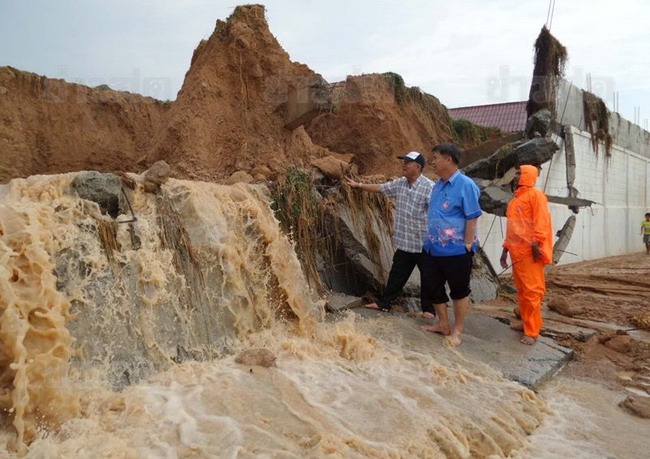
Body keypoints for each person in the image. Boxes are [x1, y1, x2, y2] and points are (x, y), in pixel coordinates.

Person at [344, 152, 434, 314]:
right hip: (405, 243)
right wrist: (358, 186)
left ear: (418, 167)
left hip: (424, 243)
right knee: (396, 275)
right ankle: (384, 303)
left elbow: (437, 213)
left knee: (428, 278)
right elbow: (380, 188)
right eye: (404, 161)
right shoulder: (400, 184)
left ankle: (429, 310)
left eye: (408, 162)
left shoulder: (429, 187)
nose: (404, 165)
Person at [420, 143, 482, 347]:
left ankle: (457, 330)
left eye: (436, 157)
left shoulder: (466, 185)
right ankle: (443, 324)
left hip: (456, 249)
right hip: (432, 247)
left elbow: (472, 217)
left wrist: (466, 245)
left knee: (459, 290)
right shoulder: (437, 184)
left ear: (449, 159)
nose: (433, 162)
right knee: (433, 287)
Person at [500, 165, 553, 345]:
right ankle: (525, 323)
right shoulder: (515, 200)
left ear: (526, 175)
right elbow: (512, 229)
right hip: (517, 252)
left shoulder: (536, 196)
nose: (515, 176)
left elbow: (541, 221)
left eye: (518, 173)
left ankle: (532, 331)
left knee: (532, 292)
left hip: (531, 252)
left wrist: (537, 244)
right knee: (522, 291)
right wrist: (505, 250)